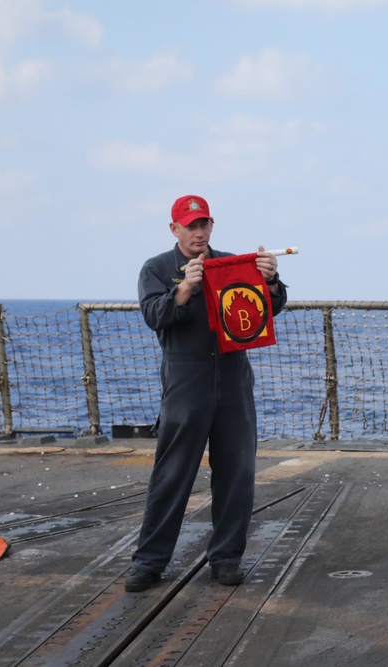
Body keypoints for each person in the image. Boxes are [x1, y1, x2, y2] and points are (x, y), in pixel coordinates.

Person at [124, 194, 288, 593]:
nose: (198, 232)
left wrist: (269, 279)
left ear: (211, 226)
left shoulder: (232, 262)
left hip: (233, 378)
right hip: (186, 379)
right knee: (172, 474)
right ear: (174, 229)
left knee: (237, 473)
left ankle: (227, 557)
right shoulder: (157, 268)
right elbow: (152, 315)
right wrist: (183, 290)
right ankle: (149, 561)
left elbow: (271, 306)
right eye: (190, 225)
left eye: (204, 224)